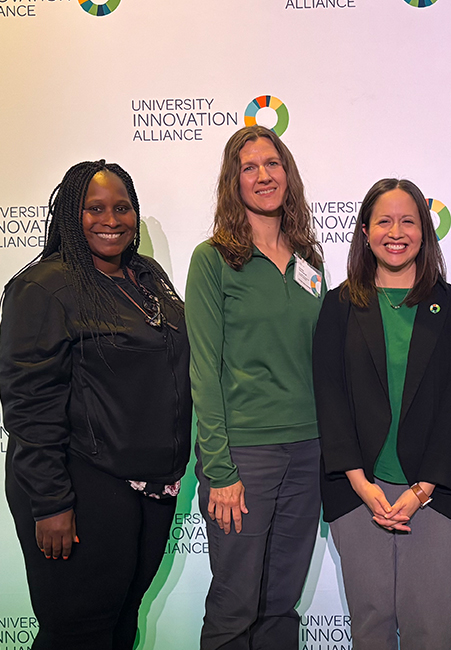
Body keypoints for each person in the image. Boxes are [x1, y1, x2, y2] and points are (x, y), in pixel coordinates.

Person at [0, 160, 190, 650]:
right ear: (70, 214)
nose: (112, 219)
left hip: (148, 488)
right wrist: (51, 503)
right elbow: (28, 405)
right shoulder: (44, 287)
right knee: (78, 633)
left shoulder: (146, 276)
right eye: (95, 208)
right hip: (81, 487)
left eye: (122, 208)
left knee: (121, 624)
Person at [313, 178, 451, 650]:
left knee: (428, 629)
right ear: (365, 231)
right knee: (371, 627)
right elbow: (330, 399)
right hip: (356, 489)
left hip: (433, 490)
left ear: (424, 231)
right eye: (384, 220)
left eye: (408, 220)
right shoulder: (338, 305)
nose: (396, 231)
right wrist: (361, 484)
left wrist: (423, 488)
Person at [186, 125, 326, 650]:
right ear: (233, 182)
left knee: (280, 605)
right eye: (250, 167)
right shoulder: (214, 259)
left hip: (308, 451)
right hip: (244, 456)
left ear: (287, 173)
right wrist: (219, 469)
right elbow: (204, 369)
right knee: (235, 604)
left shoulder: (310, 260)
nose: (264, 175)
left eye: (272, 164)